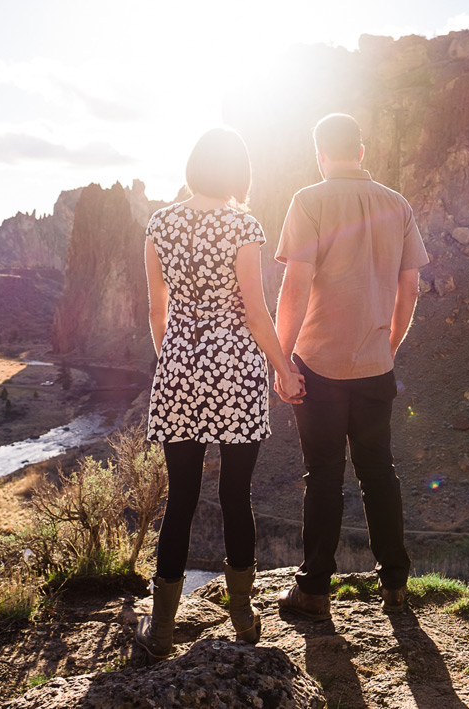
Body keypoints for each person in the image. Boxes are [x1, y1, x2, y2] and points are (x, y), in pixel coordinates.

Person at [136, 127, 305, 659]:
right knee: (236, 494)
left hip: (180, 367)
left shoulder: (159, 224)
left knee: (181, 498)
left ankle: (161, 630)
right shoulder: (243, 225)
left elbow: (155, 311)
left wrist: (176, 358)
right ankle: (243, 617)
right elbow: (256, 312)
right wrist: (284, 369)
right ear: (236, 172)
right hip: (235, 370)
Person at [273, 113, 429, 621]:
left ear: (320, 155)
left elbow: (294, 286)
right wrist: (391, 344)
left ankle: (315, 590)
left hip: (317, 364)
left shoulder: (309, 201)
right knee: (379, 474)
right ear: (361, 151)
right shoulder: (397, 204)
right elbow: (411, 288)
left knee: (323, 477)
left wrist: (281, 360)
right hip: (374, 365)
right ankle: (396, 585)